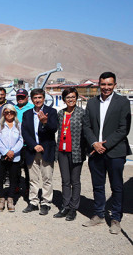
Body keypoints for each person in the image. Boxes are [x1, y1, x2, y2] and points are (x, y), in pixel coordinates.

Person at [82, 72, 131, 234]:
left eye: (109, 84)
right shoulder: (91, 103)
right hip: (95, 151)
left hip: (115, 152)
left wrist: (106, 144)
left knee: (117, 186)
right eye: (103, 84)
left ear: (115, 85)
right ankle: (99, 214)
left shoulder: (123, 102)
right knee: (97, 186)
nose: (106, 87)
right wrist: (94, 143)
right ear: (99, 85)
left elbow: (124, 128)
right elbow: (87, 126)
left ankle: (116, 218)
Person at [21, 88, 58, 216]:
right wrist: (34, 145)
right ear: (31, 99)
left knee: (47, 177)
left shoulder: (51, 112)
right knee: (33, 178)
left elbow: (54, 128)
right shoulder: (27, 114)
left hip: (47, 150)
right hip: (32, 150)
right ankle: (33, 202)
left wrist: (45, 122)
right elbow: (24, 131)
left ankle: (46, 202)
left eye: (39, 98)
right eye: (35, 98)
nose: (37, 100)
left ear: (44, 98)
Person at [53, 88, 87, 221]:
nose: (70, 99)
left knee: (75, 181)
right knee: (65, 181)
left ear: (77, 98)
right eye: (68, 97)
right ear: (64, 99)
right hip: (62, 151)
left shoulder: (82, 113)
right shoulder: (61, 113)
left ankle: (73, 208)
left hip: (76, 151)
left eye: (73, 97)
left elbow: (87, 133)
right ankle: (65, 206)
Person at [0, 104, 23, 212]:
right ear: (3, 113)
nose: (9, 114)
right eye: (6, 112)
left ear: (14, 113)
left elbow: (21, 140)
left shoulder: (18, 125)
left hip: (14, 156)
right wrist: (6, 152)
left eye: (11, 112)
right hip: (1, 155)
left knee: (13, 178)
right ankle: (1, 199)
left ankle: (10, 198)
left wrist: (13, 151)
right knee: (0, 178)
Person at [14, 88, 34, 195]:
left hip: (28, 143)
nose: (20, 99)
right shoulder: (13, 108)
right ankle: (16, 186)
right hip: (16, 143)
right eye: (18, 97)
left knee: (28, 167)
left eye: (22, 97)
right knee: (16, 167)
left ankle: (28, 188)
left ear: (27, 97)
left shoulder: (32, 107)